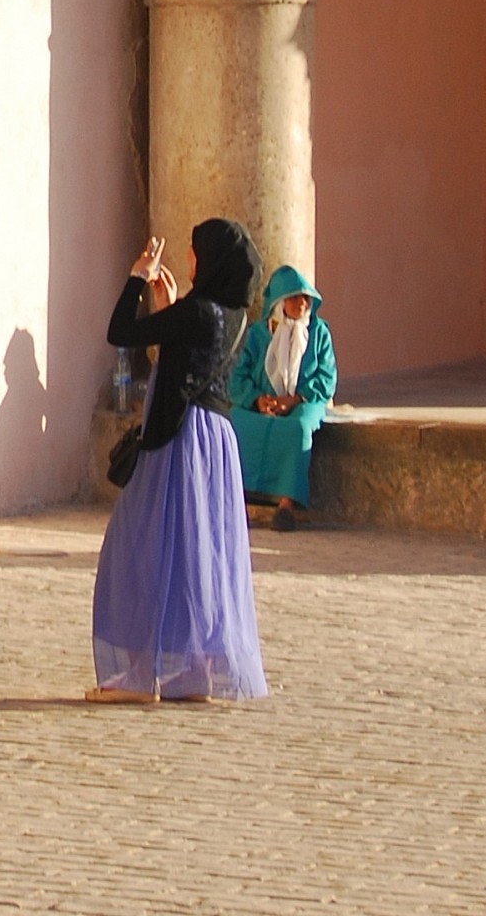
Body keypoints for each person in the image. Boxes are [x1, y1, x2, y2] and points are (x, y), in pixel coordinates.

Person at [88, 218, 268, 704]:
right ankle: (194, 671)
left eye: (194, 250)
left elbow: (120, 331)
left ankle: (140, 673)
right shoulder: (233, 316)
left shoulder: (199, 312)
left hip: (180, 438)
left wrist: (138, 277)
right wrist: (170, 309)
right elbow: (182, 359)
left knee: (144, 547)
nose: (189, 258)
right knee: (197, 555)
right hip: (215, 443)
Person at [228, 264, 336, 532]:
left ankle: (286, 505)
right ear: (279, 302)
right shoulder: (258, 334)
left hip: (303, 402)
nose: (301, 304)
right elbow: (238, 377)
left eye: (304, 298)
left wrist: (295, 399)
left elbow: (326, 378)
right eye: (293, 298)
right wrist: (257, 399)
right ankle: (238, 502)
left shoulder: (319, 333)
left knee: (297, 429)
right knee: (239, 423)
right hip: (262, 403)